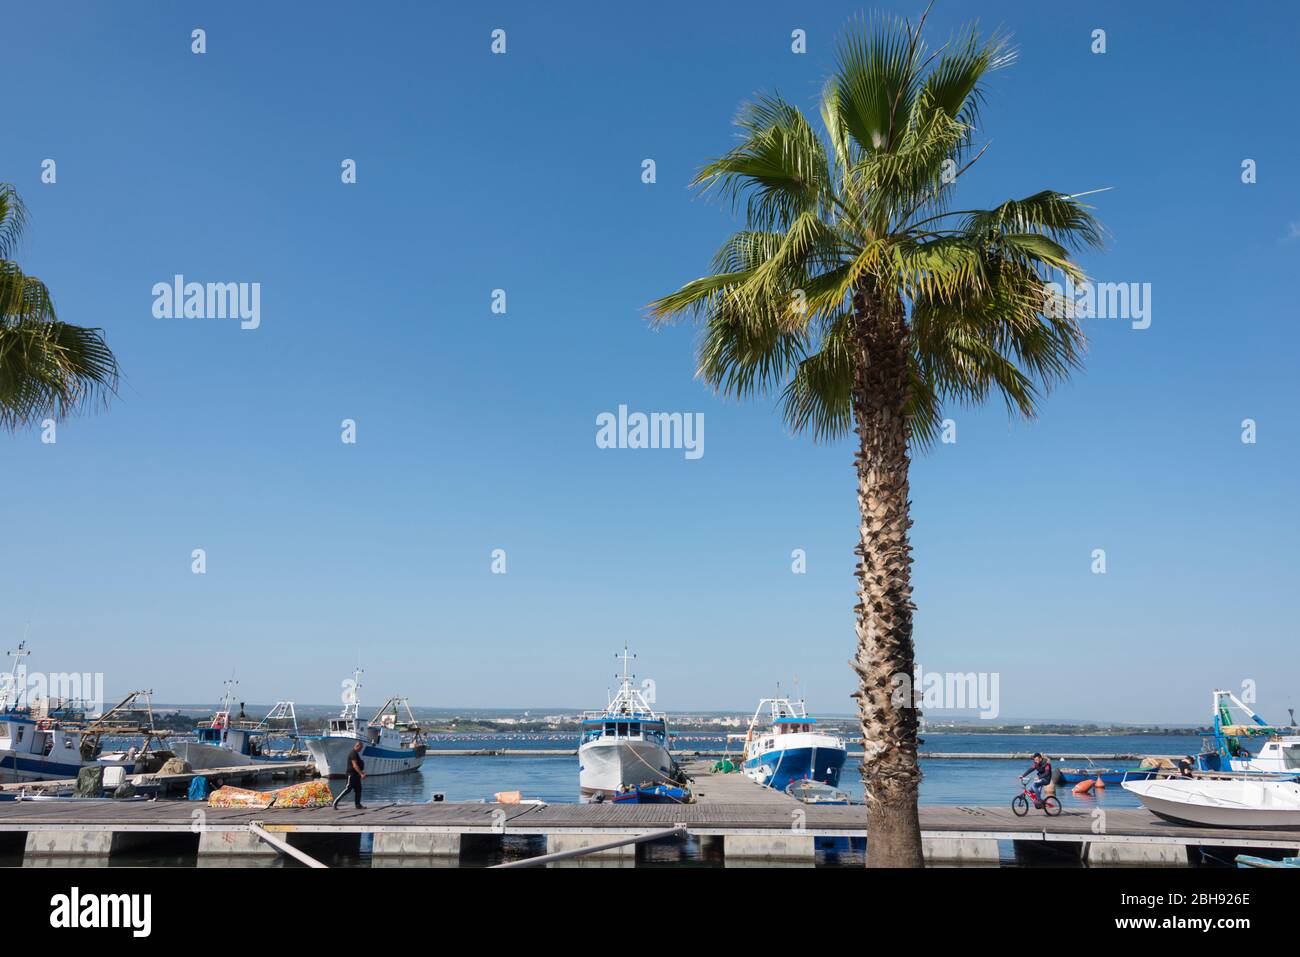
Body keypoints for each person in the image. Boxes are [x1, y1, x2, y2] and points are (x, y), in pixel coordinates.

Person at [332, 741, 366, 809]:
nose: (361, 749)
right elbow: (355, 765)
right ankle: (335, 802)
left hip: (356, 776)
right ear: (358, 746)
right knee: (348, 789)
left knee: (358, 789)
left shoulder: (356, 753)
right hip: (352, 775)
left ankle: (358, 805)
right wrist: (361, 774)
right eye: (361, 748)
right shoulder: (353, 753)